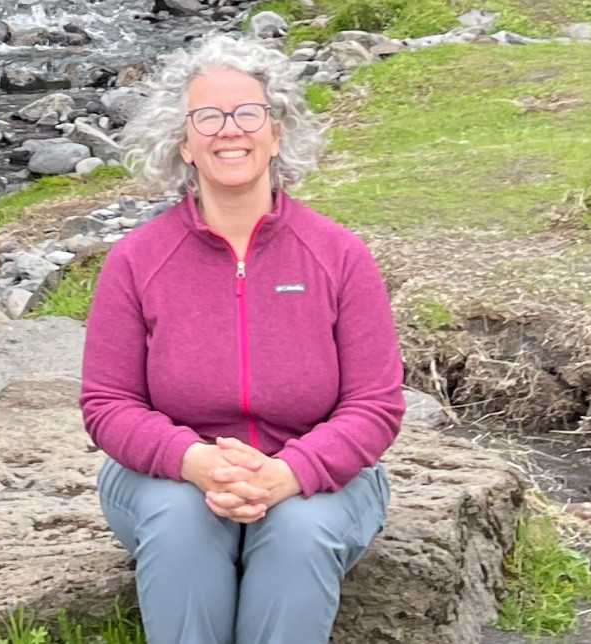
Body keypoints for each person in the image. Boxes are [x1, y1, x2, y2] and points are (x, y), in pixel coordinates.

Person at [80, 33, 405, 644]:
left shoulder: (339, 254)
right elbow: (107, 404)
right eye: (208, 116)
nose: (230, 130)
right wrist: (192, 461)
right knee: (182, 523)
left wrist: (292, 472)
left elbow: (375, 405)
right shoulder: (136, 259)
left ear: (276, 132)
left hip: (319, 481)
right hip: (168, 480)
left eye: (248, 113)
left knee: (298, 532)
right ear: (183, 142)